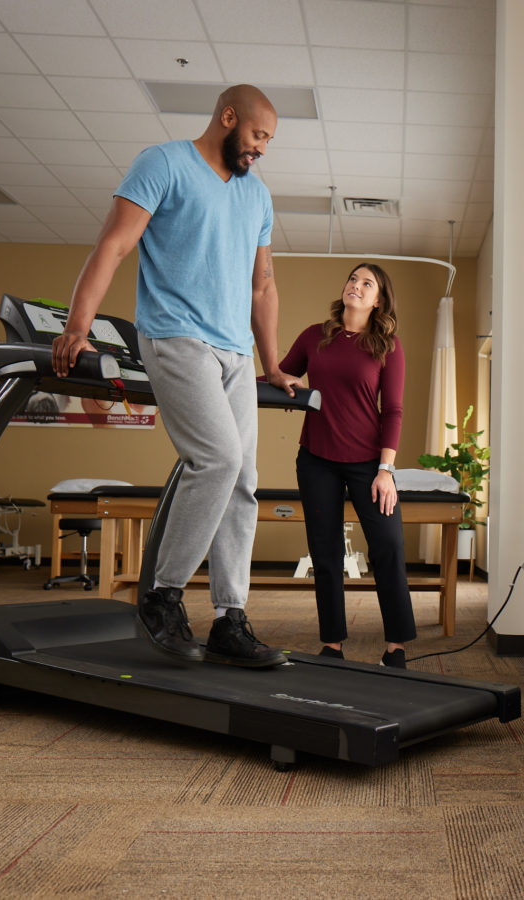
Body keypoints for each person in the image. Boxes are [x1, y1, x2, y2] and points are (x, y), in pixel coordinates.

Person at [51, 84, 303, 668]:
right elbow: (113, 246)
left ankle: (229, 619)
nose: (263, 148)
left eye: (270, 141)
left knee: (243, 480)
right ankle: (161, 598)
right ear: (228, 117)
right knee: (216, 460)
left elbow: (262, 285)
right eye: (259, 135)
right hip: (175, 337)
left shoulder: (257, 196)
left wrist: (271, 364)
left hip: (236, 353)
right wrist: (76, 326)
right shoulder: (162, 164)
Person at [279, 263, 416, 668]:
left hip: (368, 464)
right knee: (325, 552)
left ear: (378, 300)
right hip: (316, 460)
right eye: (353, 279)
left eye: (367, 283)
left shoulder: (388, 346)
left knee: (388, 547)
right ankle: (332, 643)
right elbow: (283, 375)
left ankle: (396, 645)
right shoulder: (314, 336)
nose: (356, 286)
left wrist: (386, 470)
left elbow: (393, 411)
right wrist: (277, 382)